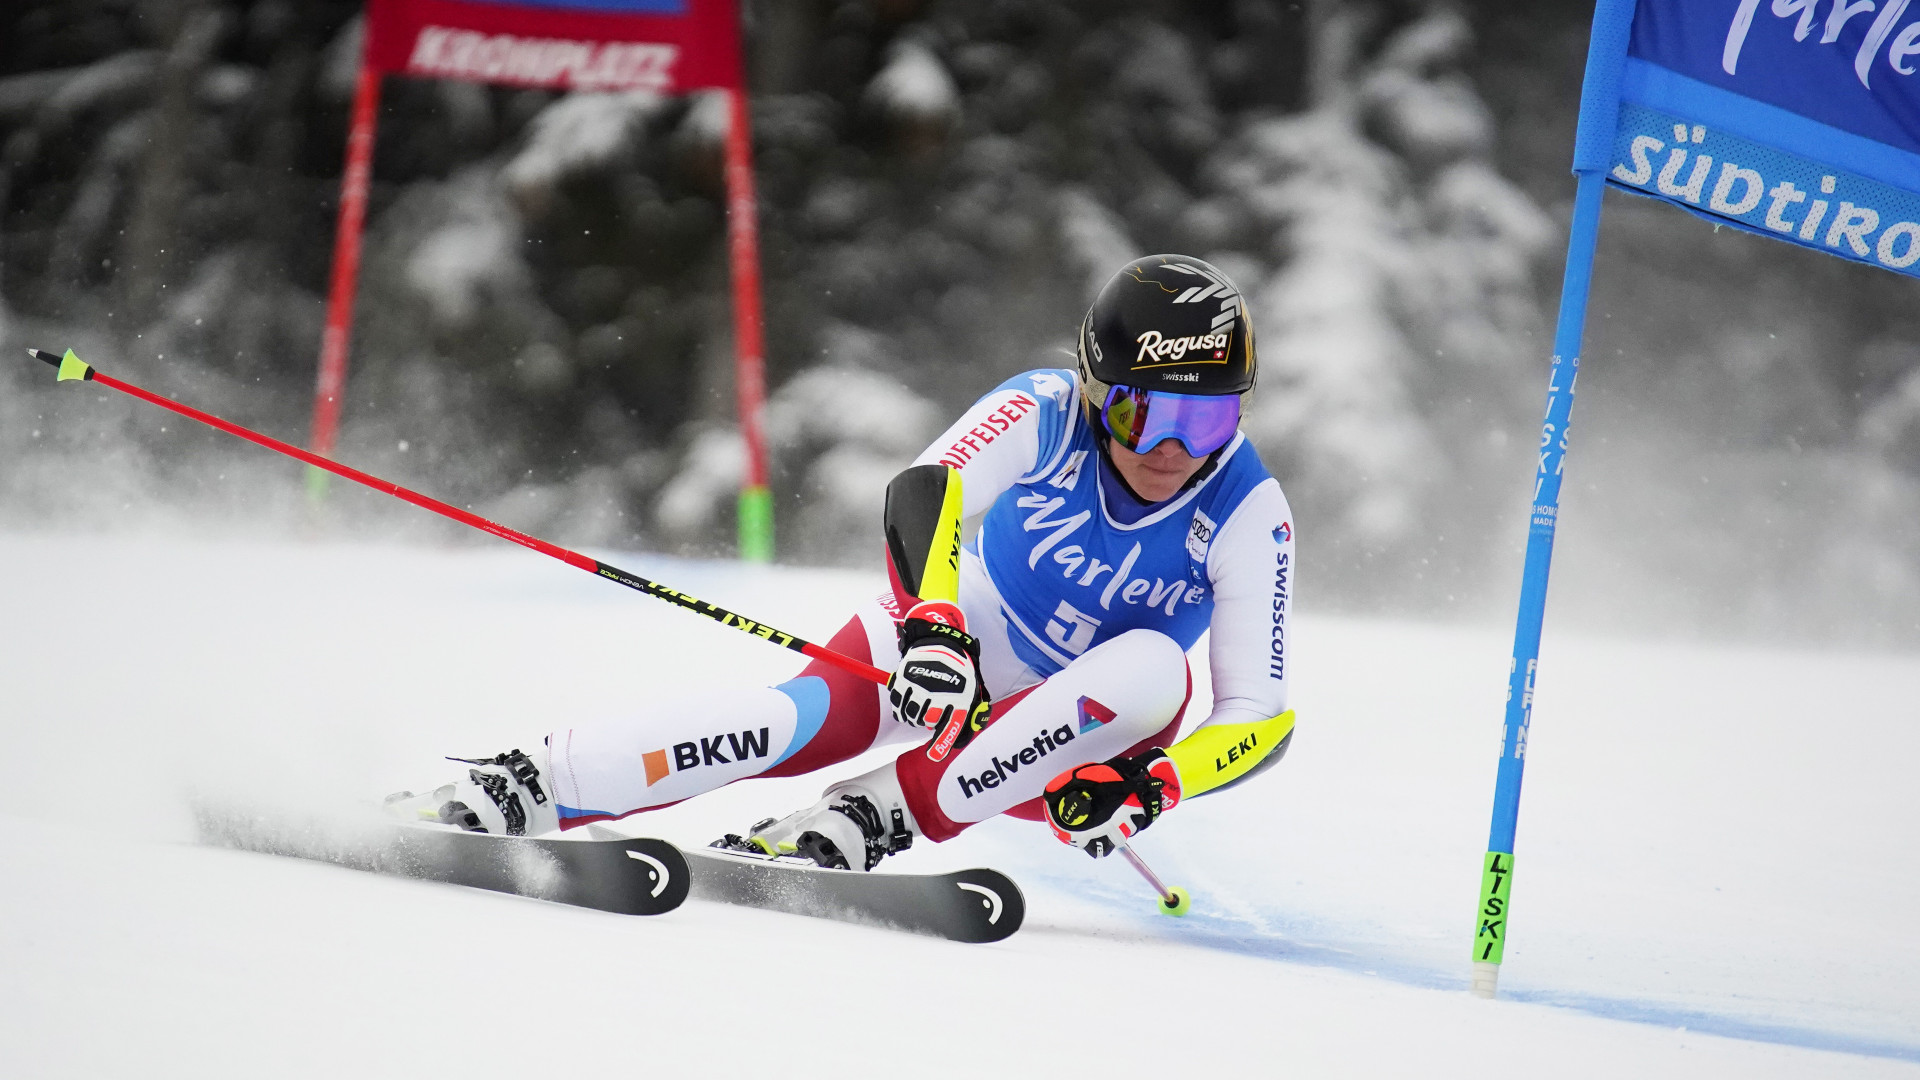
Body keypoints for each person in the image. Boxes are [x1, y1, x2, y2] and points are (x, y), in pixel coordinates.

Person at [388, 254, 1297, 870]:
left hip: (1072, 737)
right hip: (965, 624)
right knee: (791, 724)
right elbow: (926, 488)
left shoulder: (1249, 511)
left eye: (1208, 417)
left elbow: (1261, 714)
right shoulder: (1049, 408)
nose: (1174, 447)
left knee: (1151, 669)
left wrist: (1155, 784)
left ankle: (881, 811)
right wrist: (936, 626)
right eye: (1145, 414)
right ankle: (532, 785)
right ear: (1100, 392)